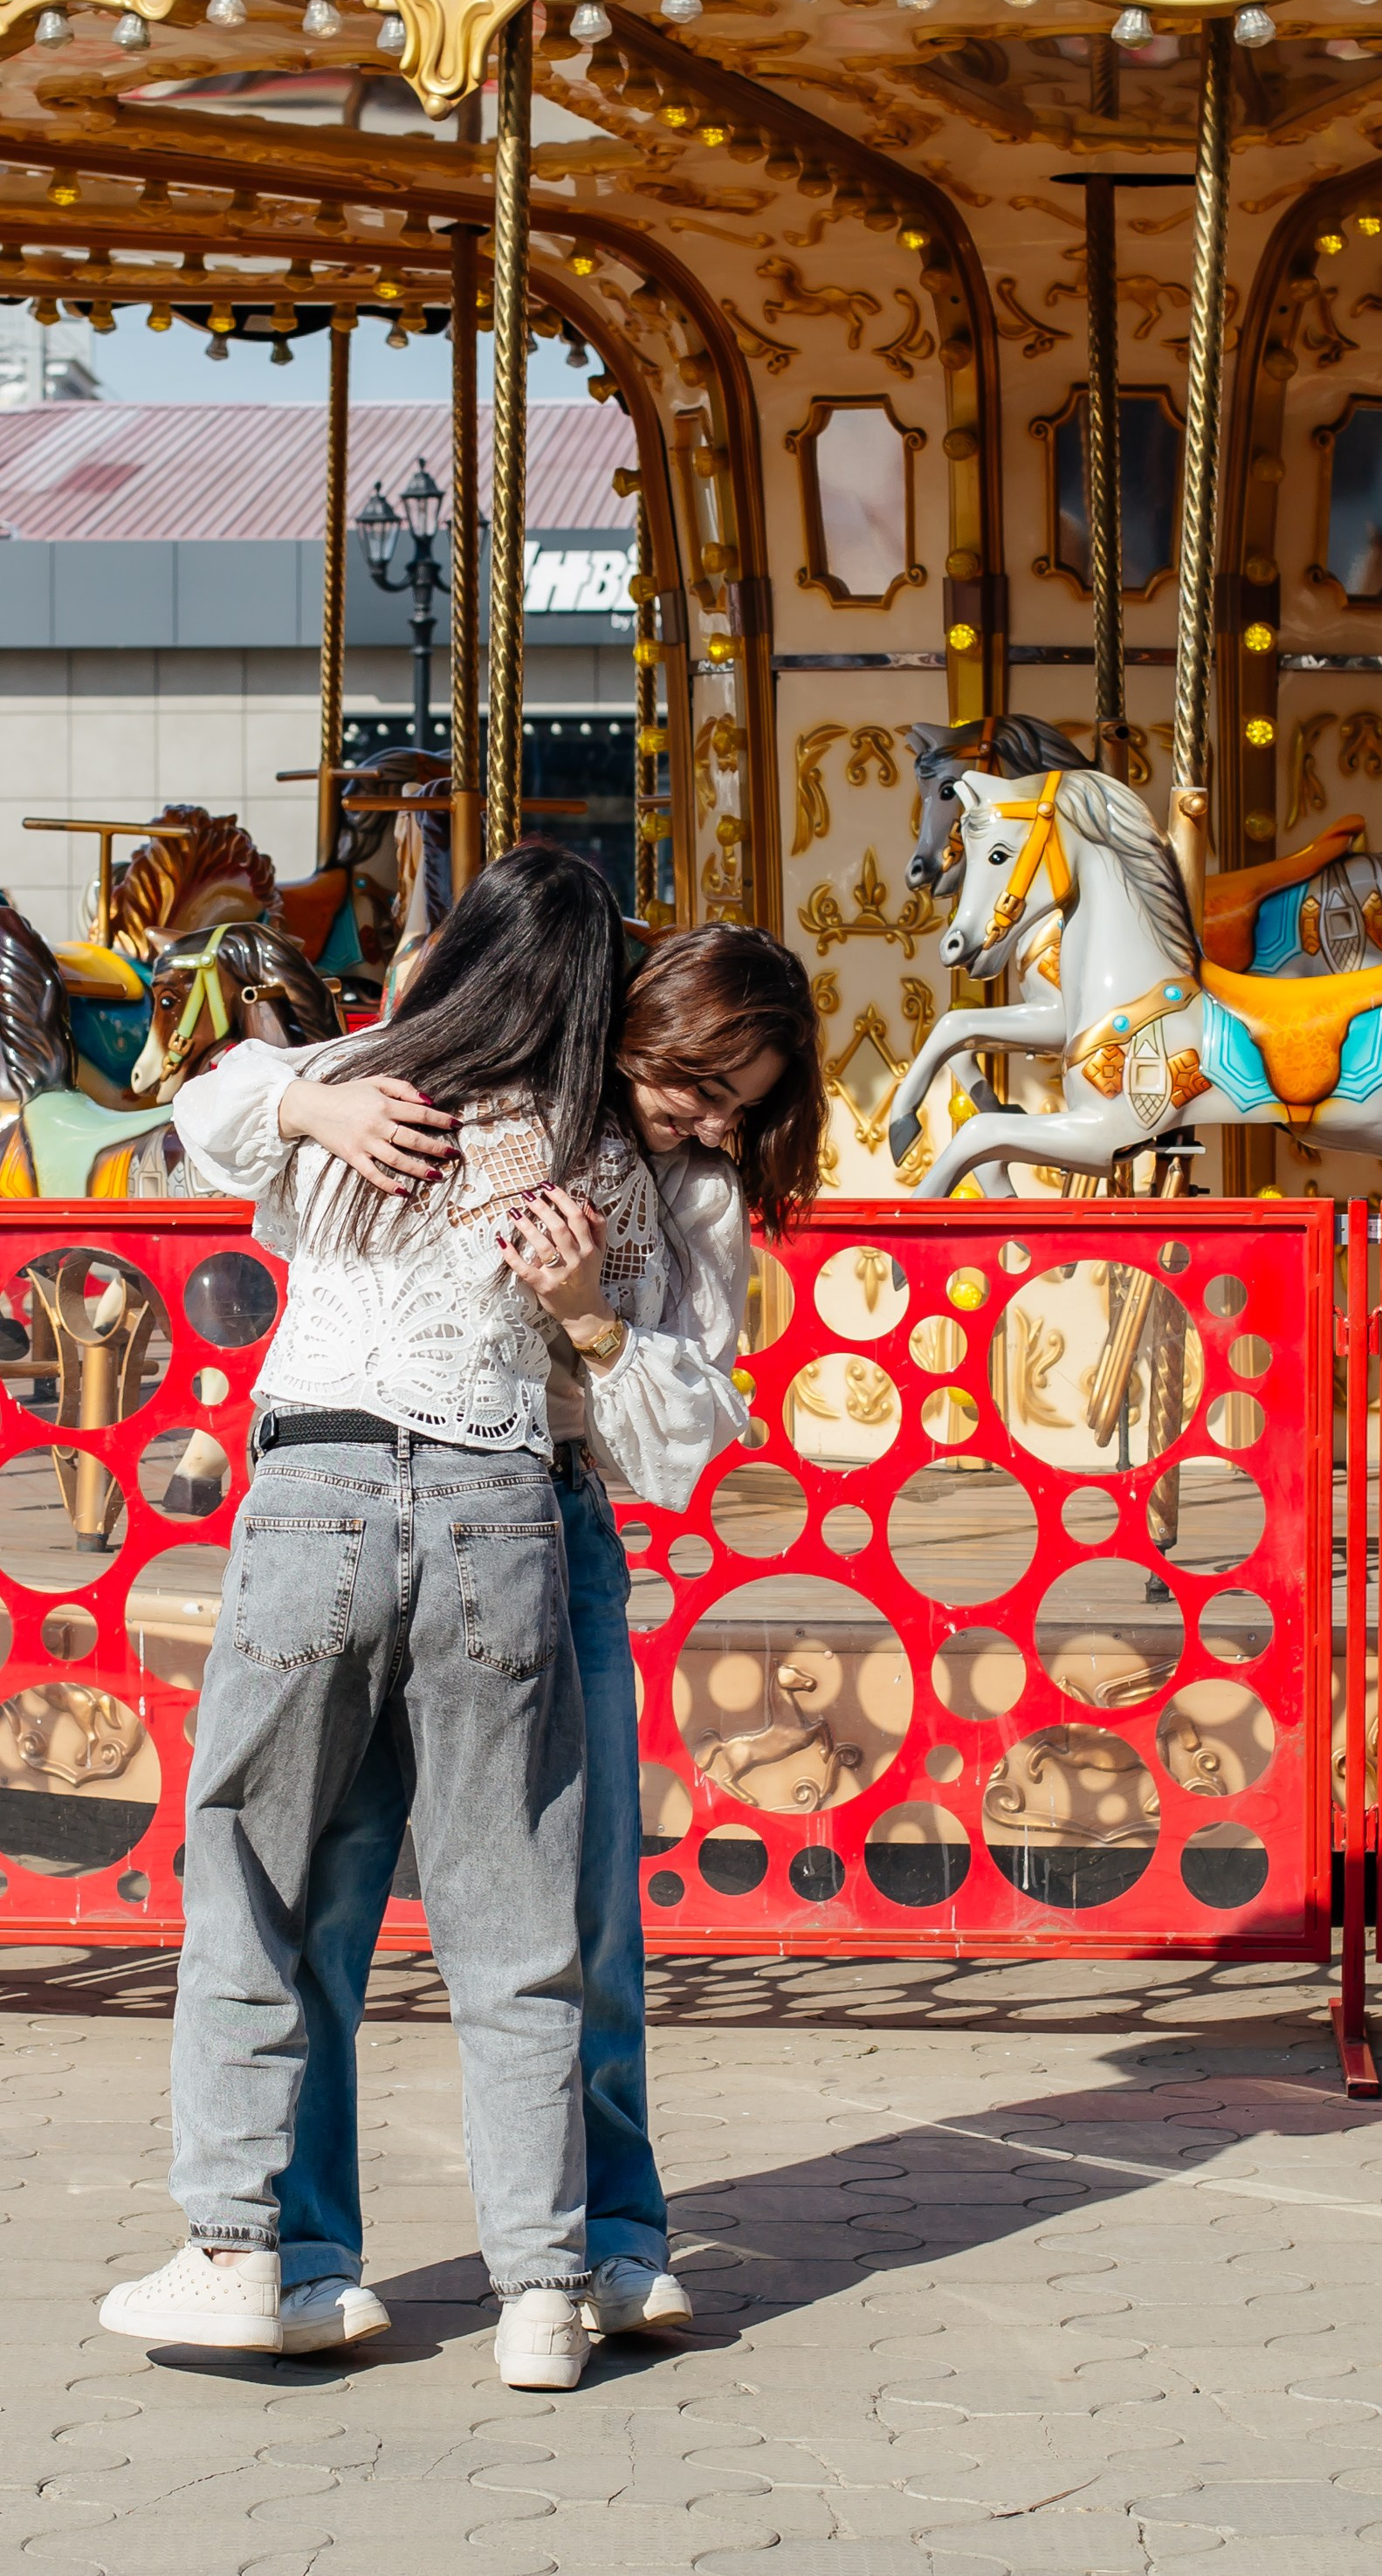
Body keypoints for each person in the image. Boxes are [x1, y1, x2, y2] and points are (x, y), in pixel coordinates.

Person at [94, 858, 788, 2389]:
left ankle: (306, 2247)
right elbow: (246, 1101)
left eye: (743, 1102)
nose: (714, 1121)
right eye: (696, 1083)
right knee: (502, 1910)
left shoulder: (589, 1156)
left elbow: (200, 1113)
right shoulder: (464, 1111)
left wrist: (593, 1311)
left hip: (457, 1498)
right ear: (617, 1017)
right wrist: (309, 1104)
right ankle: (517, 2270)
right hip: (496, 1515)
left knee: (480, 1899)